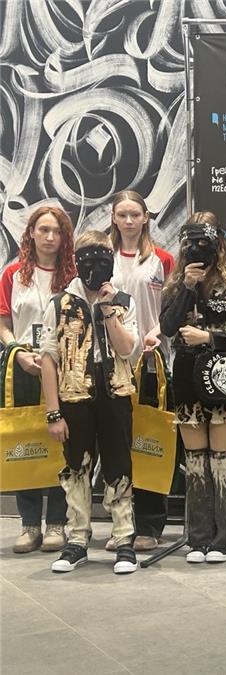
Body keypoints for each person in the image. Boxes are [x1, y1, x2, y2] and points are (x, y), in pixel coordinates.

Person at [40, 231, 139, 574]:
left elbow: (127, 349)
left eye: (103, 258)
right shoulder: (58, 304)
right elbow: (48, 360)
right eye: (87, 258)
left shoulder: (124, 301)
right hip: (73, 396)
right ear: (75, 261)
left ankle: (124, 539)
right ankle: (77, 539)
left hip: (115, 394)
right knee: (76, 466)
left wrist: (109, 311)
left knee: (119, 464)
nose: (95, 266)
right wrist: (53, 412)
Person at [159, 212, 226, 563]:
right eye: (190, 243)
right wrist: (186, 286)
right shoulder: (174, 285)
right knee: (195, 461)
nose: (197, 249)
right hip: (186, 377)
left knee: (222, 459)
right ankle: (198, 538)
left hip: (222, 378)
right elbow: (167, 327)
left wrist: (209, 338)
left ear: (217, 244)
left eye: (204, 242)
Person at [0, 206, 77, 554]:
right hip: (24, 365)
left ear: (64, 238)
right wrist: (17, 350)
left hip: (64, 367)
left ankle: (57, 523)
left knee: (62, 443)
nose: (49, 237)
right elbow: (3, 324)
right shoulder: (13, 274)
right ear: (31, 232)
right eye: (43, 230)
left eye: (57, 231)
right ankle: (29, 524)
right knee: (26, 440)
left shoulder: (73, 276)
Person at [108, 190, 174, 552]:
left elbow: (175, 307)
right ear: (114, 218)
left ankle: (149, 524)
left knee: (149, 442)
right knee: (117, 445)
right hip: (112, 364)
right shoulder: (104, 258)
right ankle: (122, 524)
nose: (129, 221)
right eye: (123, 215)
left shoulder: (161, 260)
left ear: (146, 217)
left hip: (150, 362)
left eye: (135, 214)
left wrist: (158, 331)